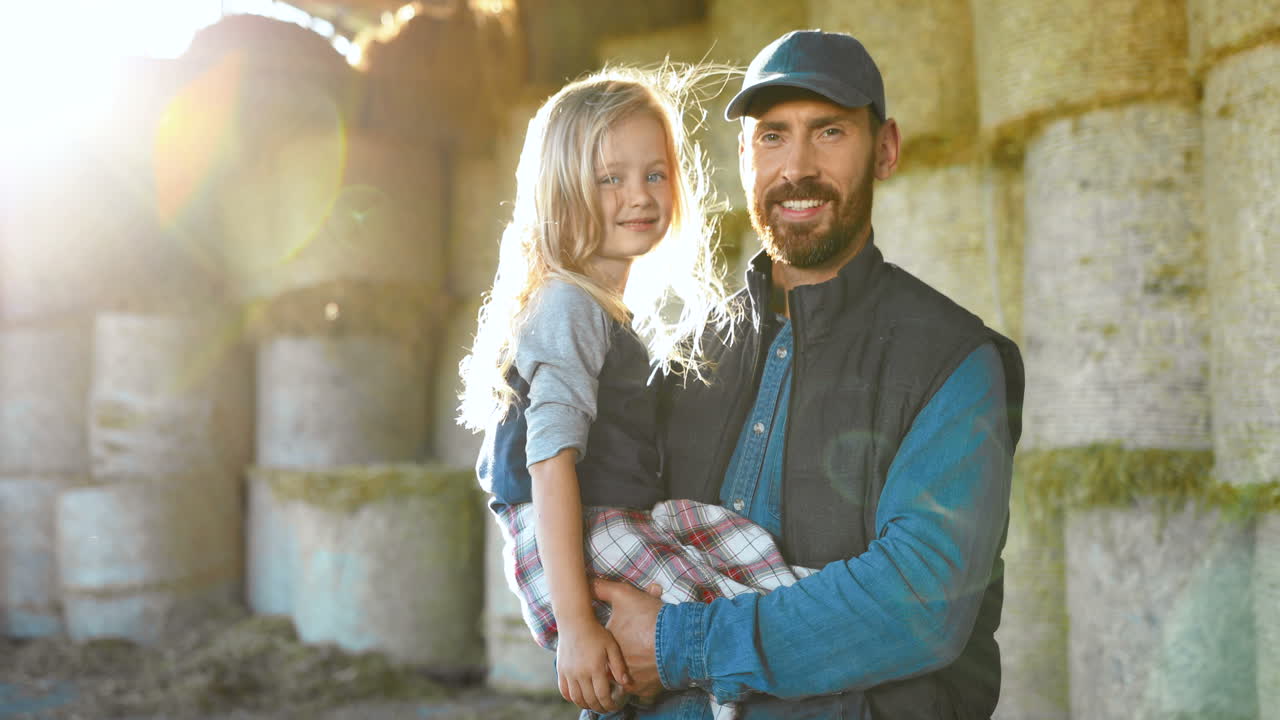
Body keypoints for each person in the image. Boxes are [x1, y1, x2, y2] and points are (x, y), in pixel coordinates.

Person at [592, 30, 1026, 719]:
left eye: (828, 132)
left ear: (884, 150)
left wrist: (682, 644)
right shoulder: (681, 356)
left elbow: (917, 602)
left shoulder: (955, 361)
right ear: (743, 156)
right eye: (772, 136)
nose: (796, 167)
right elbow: (605, 555)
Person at [458, 66, 822, 719]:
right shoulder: (568, 305)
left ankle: (828, 619)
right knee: (702, 635)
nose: (640, 195)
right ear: (561, 189)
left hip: (612, 520)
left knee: (737, 549)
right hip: (575, 533)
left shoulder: (602, 306)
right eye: (610, 178)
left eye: (655, 174)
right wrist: (575, 624)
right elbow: (549, 463)